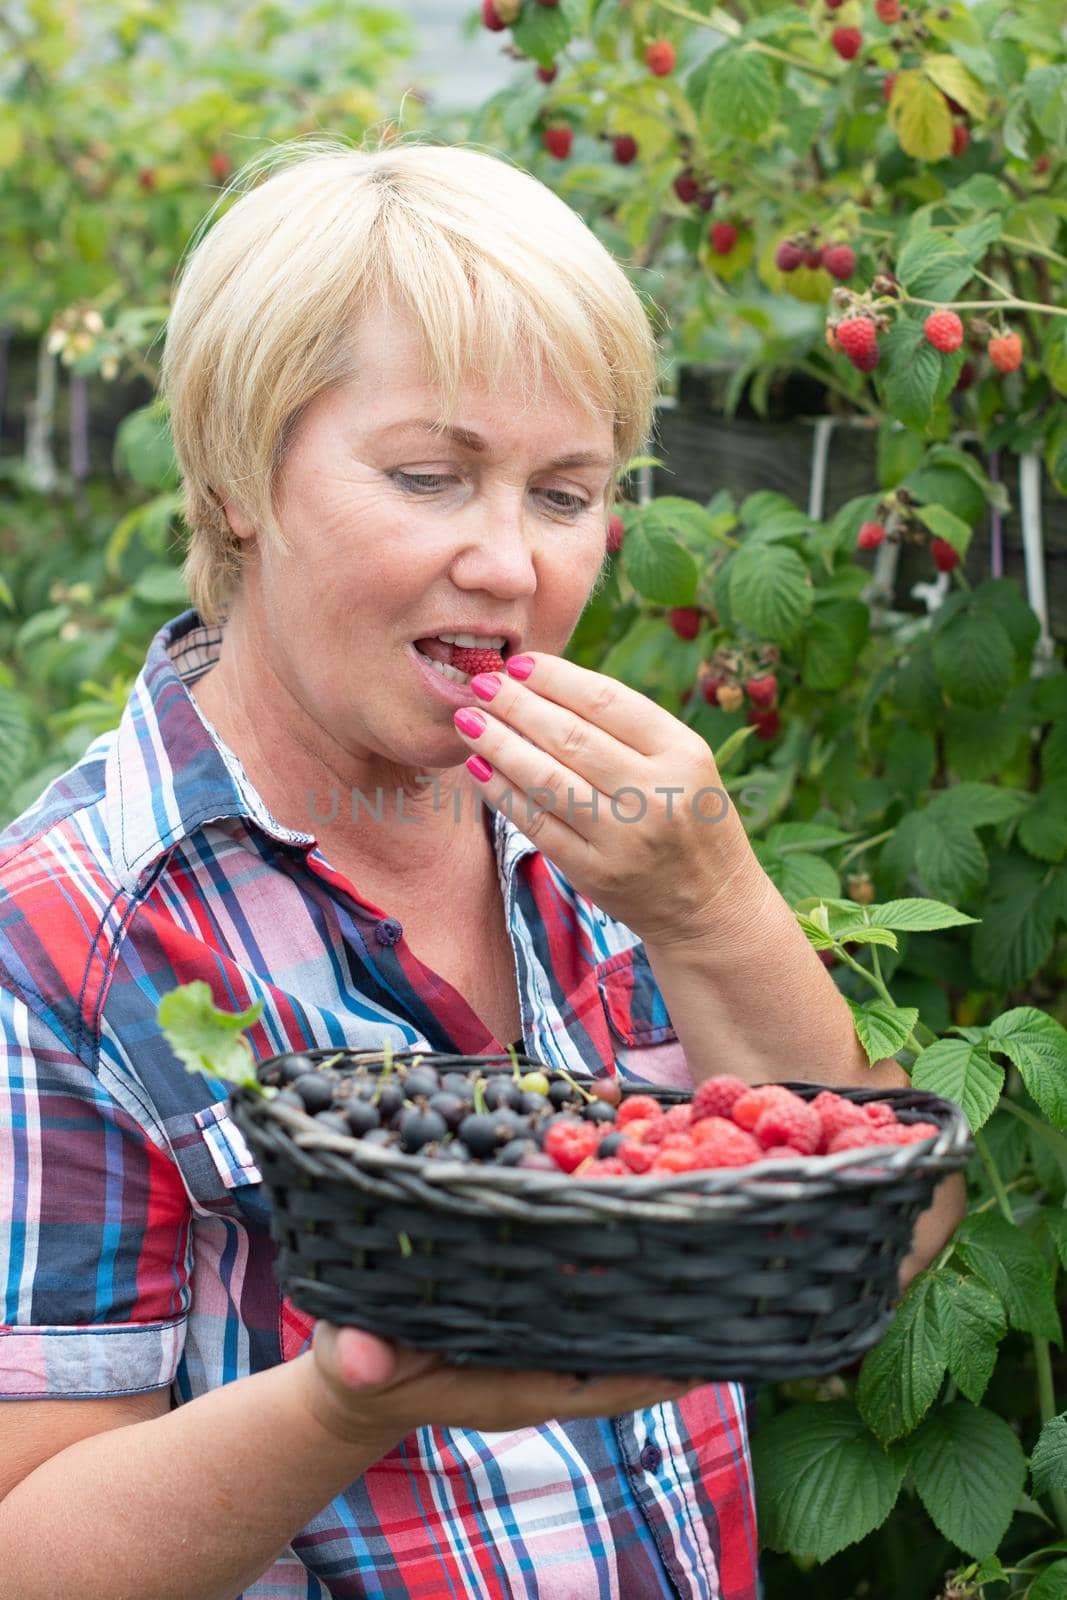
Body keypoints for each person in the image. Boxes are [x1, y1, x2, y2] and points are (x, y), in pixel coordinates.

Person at [0, 136, 964, 1600]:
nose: (512, 565)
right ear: (239, 477)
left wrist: (718, 909)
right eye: (430, 477)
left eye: (565, 494)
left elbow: (876, 1247)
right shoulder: (68, 933)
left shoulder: (610, 839)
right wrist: (353, 1400)